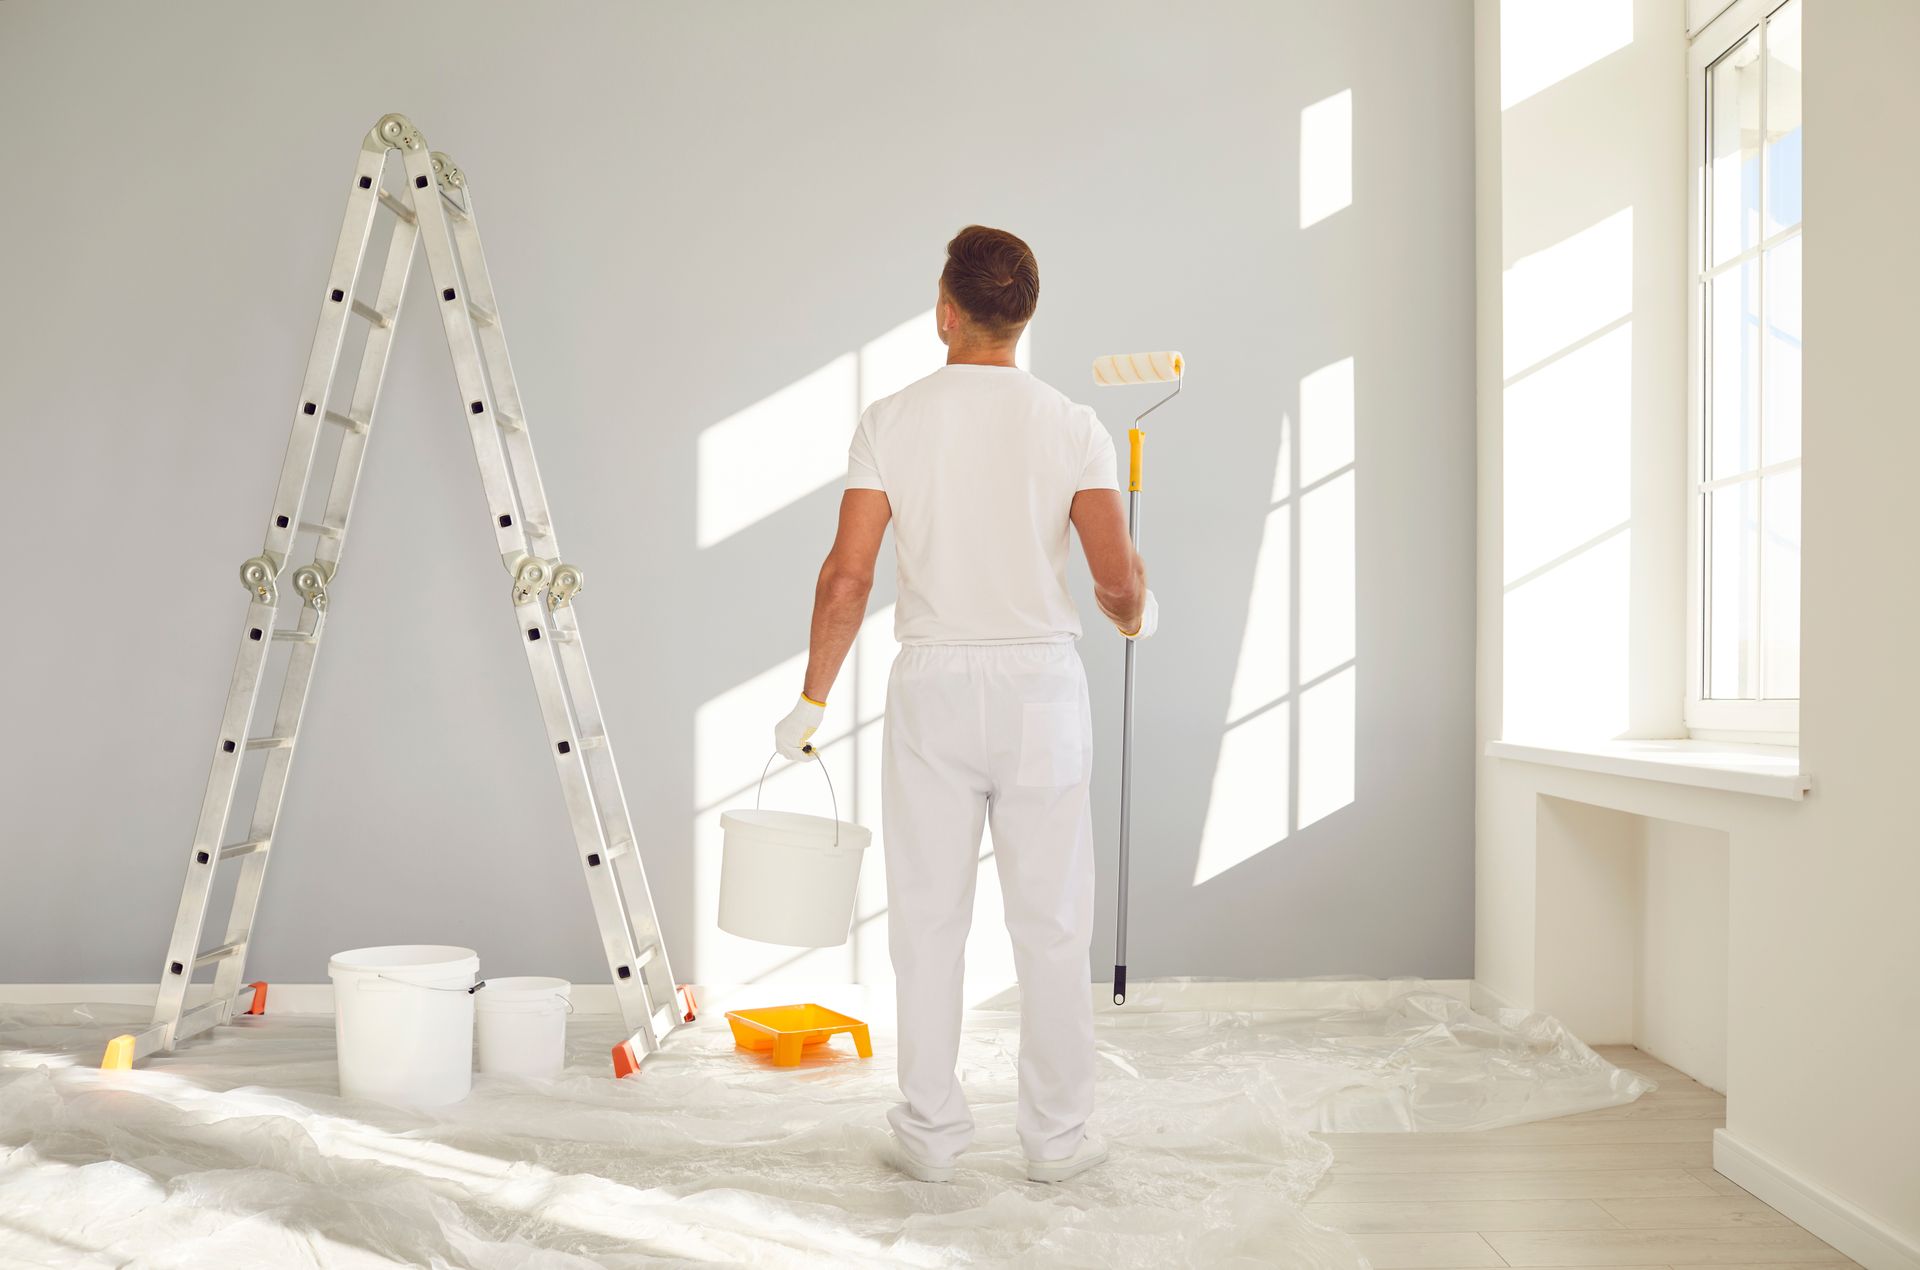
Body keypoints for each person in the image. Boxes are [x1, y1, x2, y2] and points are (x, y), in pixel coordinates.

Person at [770, 225, 1156, 1185]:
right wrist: (1136, 613)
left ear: (947, 311)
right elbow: (1115, 582)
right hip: (1039, 688)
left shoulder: (891, 419)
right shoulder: (1074, 424)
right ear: (1024, 318)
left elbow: (847, 580)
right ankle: (1058, 1142)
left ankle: (934, 1136)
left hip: (935, 685)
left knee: (929, 918)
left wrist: (812, 699)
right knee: (1054, 921)